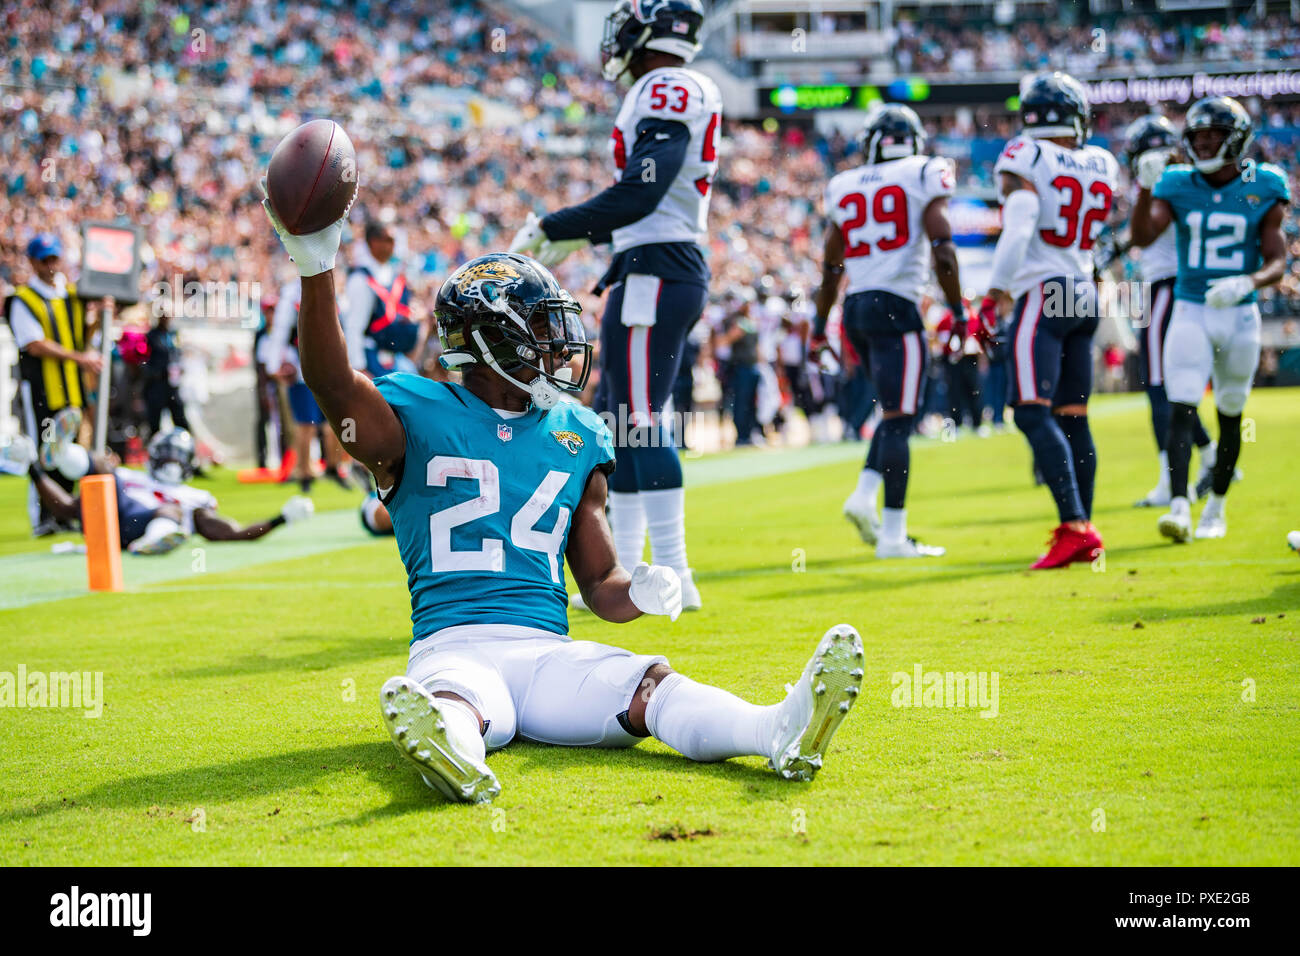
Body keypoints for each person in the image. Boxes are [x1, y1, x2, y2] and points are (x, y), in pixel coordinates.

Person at [262, 193, 864, 803]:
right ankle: (454, 755)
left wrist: (640, 592)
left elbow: (599, 582)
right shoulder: (414, 413)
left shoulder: (576, 433)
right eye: (544, 328)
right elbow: (331, 382)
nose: (560, 344)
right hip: (453, 644)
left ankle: (776, 730)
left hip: (545, 649)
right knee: (453, 703)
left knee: (652, 684)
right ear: (494, 337)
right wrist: (316, 266)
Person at [508, 0, 719, 610]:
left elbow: (643, 191)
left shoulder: (666, 86)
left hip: (659, 264)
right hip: (651, 264)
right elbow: (639, 200)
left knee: (638, 421)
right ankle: (628, 570)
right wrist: (570, 234)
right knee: (621, 419)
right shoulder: (665, 87)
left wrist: (556, 223)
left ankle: (677, 573)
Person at [974, 73, 1118, 569]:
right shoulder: (1101, 161)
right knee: (1073, 416)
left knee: (1031, 411)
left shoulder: (1024, 154)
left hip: (1044, 289)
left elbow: (1018, 229)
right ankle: (1083, 527)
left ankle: (1076, 525)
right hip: (1082, 290)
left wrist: (993, 296)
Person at [1129, 96, 1289, 542]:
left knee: (1231, 413)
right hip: (1191, 307)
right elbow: (1143, 235)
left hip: (1238, 313)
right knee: (1180, 405)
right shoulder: (1176, 183)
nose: (1203, 145)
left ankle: (1215, 508)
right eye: (1197, 137)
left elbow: (1277, 258)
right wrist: (1144, 189)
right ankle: (1180, 507)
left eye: (1212, 136)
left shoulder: (1264, 183)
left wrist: (1249, 282)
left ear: (1235, 139)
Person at [813, 104, 965, 558]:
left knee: (894, 413)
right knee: (901, 419)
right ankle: (893, 537)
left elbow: (830, 265)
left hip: (856, 305)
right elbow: (943, 249)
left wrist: (820, 326)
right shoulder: (924, 171)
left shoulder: (844, 183)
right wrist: (957, 308)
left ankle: (865, 496)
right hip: (897, 303)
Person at [1121, 115, 1216, 508]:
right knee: (1179, 388)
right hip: (1193, 289)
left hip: (1169, 288)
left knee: (1160, 387)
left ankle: (1169, 481)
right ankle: (1211, 454)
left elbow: (1145, 234)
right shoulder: (1194, 177)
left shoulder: (1164, 182)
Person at [24, 426, 313, 555]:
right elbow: (63, 509)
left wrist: (281, 519)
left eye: (178, 456)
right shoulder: (125, 476)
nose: (172, 463)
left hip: (140, 530)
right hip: (111, 519)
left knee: (171, 510)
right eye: (167, 455)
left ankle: (156, 540)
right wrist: (33, 470)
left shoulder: (195, 498)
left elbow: (232, 533)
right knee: (103, 469)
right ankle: (61, 454)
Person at [5, 234, 104, 534]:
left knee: (70, 452)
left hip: (72, 388)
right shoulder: (24, 299)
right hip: (41, 390)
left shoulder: (72, 294)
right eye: (44, 259)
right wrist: (80, 357)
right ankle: (44, 517)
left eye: (54, 258)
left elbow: (83, 335)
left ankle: (66, 512)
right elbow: (34, 343)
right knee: (44, 450)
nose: (50, 265)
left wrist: (101, 318)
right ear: (33, 262)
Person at [343, 222, 425, 378]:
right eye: (388, 239)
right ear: (373, 242)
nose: (393, 245)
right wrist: (358, 368)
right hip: (371, 357)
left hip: (395, 357)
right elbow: (354, 327)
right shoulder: (361, 278)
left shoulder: (393, 273)